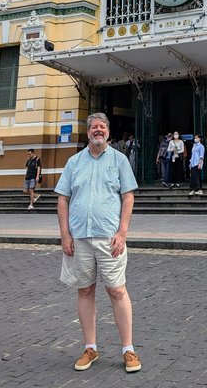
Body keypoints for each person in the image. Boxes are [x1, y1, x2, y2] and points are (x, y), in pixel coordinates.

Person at [55, 112, 142, 374]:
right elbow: (63, 199)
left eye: (102, 127)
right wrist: (65, 235)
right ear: (88, 132)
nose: (98, 130)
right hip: (79, 237)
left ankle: (128, 349)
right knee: (84, 290)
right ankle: (90, 347)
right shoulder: (74, 162)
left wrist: (122, 232)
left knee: (117, 290)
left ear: (108, 131)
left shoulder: (119, 160)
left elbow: (128, 197)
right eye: (94, 127)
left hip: (109, 238)